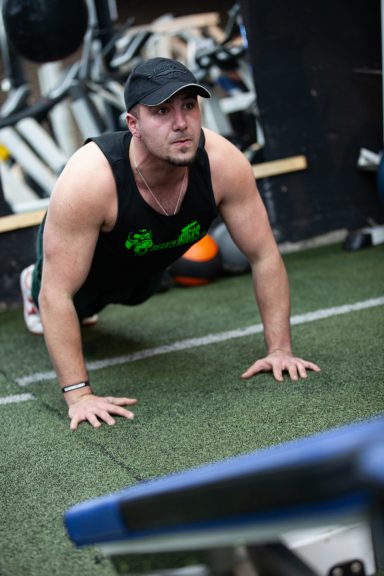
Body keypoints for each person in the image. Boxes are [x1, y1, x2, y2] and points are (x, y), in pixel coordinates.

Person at [20, 57, 320, 431]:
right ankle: (33, 276)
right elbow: (57, 294)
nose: (181, 123)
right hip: (88, 262)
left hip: (146, 262)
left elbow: (264, 255)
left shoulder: (224, 163)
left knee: (139, 292)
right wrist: (79, 395)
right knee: (70, 301)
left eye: (189, 107)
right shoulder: (90, 179)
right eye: (161, 111)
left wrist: (280, 350)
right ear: (134, 125)